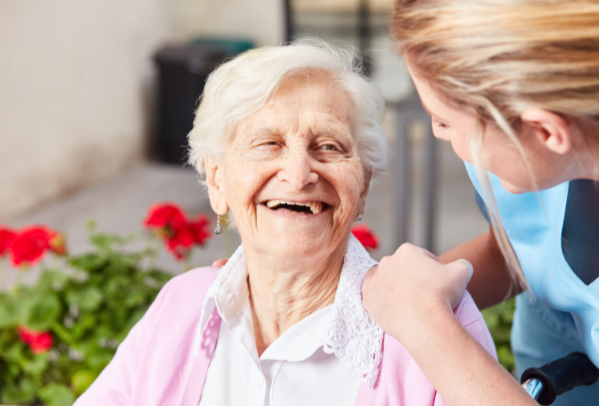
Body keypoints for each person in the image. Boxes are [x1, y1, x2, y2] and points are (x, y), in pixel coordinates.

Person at [74, 40, 495, 406]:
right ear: (217, 180)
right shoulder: (181, 307)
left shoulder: (434, 324)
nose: (298, 174)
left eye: (329, 146)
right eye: (267, 144)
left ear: (363, 185)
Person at [361, 1, 599, 405]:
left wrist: (424, 322)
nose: (437, 132)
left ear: (543, 131)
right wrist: (400, 298)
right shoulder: (526, 158)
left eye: (445, 121)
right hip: (560, 323)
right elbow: (518, 248)